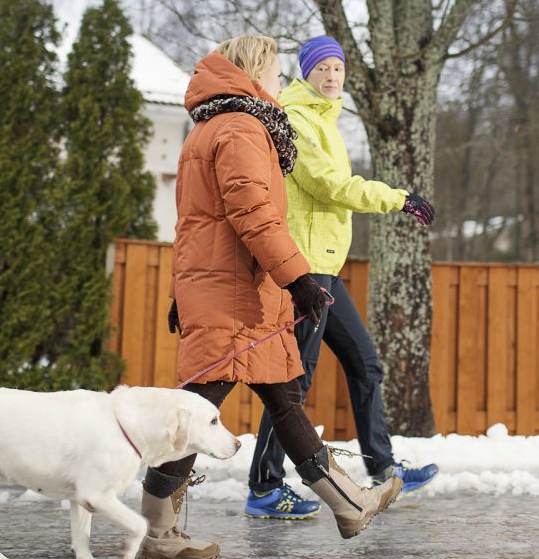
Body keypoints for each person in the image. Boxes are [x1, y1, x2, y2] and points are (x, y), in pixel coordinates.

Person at [139, 34, 403, 559]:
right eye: (278, 74)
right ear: (256, 72)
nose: (282, 84)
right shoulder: (240, 128)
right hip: (235, 295)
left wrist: (181, 292)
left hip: (230, 292)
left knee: (284, 398)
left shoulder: (211, 127)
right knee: (195, 414)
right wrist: (298, 277)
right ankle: (156, 534)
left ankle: (350, 506)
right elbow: (253, 213)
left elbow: (192, 226)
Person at [243, 35, 439, 521]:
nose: (332, 77)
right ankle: (263, 487)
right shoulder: (297, 119)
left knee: (365, 365)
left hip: (328, 266)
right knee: (294, 383)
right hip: (305, 270)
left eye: (338, 68)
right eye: (322, 68)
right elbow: (329, 186)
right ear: (305, 73)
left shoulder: (327, 120)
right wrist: (396, 198)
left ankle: (382, 466)